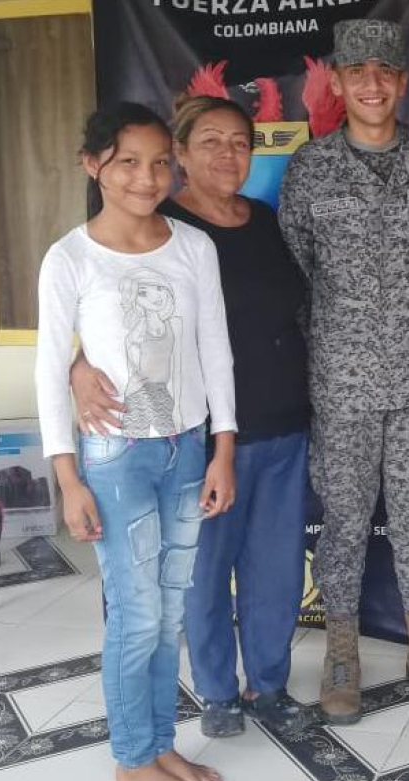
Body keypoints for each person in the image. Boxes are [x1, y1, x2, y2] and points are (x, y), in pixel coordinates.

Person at [72, 95, 314, 739]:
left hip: (285, 424)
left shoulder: (265, 222)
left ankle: (269, 684)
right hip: (202, 436)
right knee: (206, 573)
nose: (228, 154)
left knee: (275, 570)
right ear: (179, 153)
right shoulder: (163, 229)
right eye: (210, 141)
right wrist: (76, 365)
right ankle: (217, 691)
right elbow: (107, 313)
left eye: (240, 142)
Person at [35, 102, 236, 781]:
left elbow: (216, 351)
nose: (146, 178)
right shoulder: (70, 258)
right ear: (93, 165)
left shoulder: (193, 247)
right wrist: (68, 478)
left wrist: (223, 449)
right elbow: (48, 368)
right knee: (137, 613)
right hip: (115, 458)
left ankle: (159, 743)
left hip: (187, 451)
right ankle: (131, 758)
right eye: (127, 162)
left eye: (159, 163)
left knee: (170, 611)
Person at [277, 18, 409, 724]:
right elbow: (295, 272)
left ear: (403, 80)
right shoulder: (312, 169)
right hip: (342, 381)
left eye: (386, 70)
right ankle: (342, 654)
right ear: (337, 81)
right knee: (345, 521)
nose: (373, 84)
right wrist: (332, 341)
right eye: (358, 72)